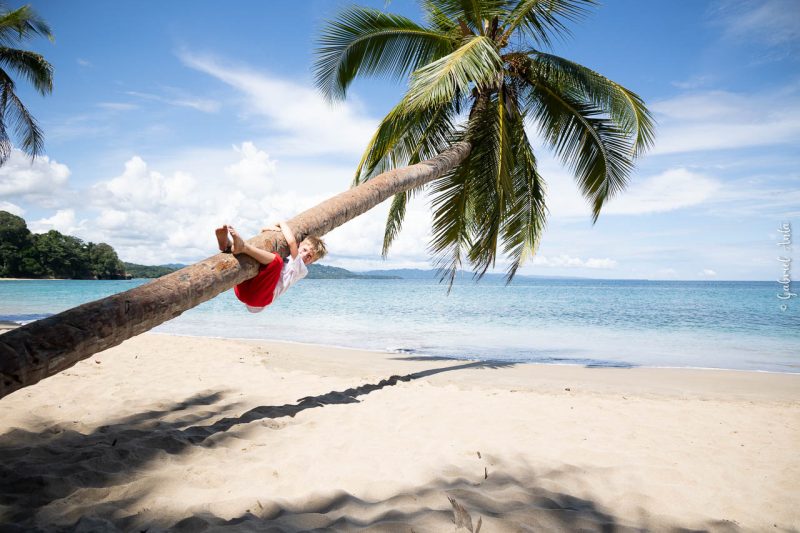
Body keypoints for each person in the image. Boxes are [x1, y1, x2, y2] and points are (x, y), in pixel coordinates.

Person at [214, 221, 326, 313]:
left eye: (310, 257)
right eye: (305, 250)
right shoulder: (288, 257)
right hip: (245, 293)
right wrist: (266, 229)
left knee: (277, 262)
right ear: (300, 245)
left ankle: (243, 247)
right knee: (251, 260)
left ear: (312, 262)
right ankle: (227, 246)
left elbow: (291, 242)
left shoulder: (301, 269)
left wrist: (281, 223)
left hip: (258, 300)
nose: (305, 255)